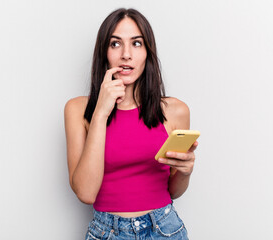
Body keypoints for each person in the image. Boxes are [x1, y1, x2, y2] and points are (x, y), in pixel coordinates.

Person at [64, 8, 198, 240]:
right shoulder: (78, 110)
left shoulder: (175, 110)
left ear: (148, 52)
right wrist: (101, 113)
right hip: (107, 232)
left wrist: (185, 172)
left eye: (137, 43)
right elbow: (86, 193)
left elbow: (174, 191)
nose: (126, 54)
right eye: (115, 44)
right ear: (104, 52)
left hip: (165, 228)